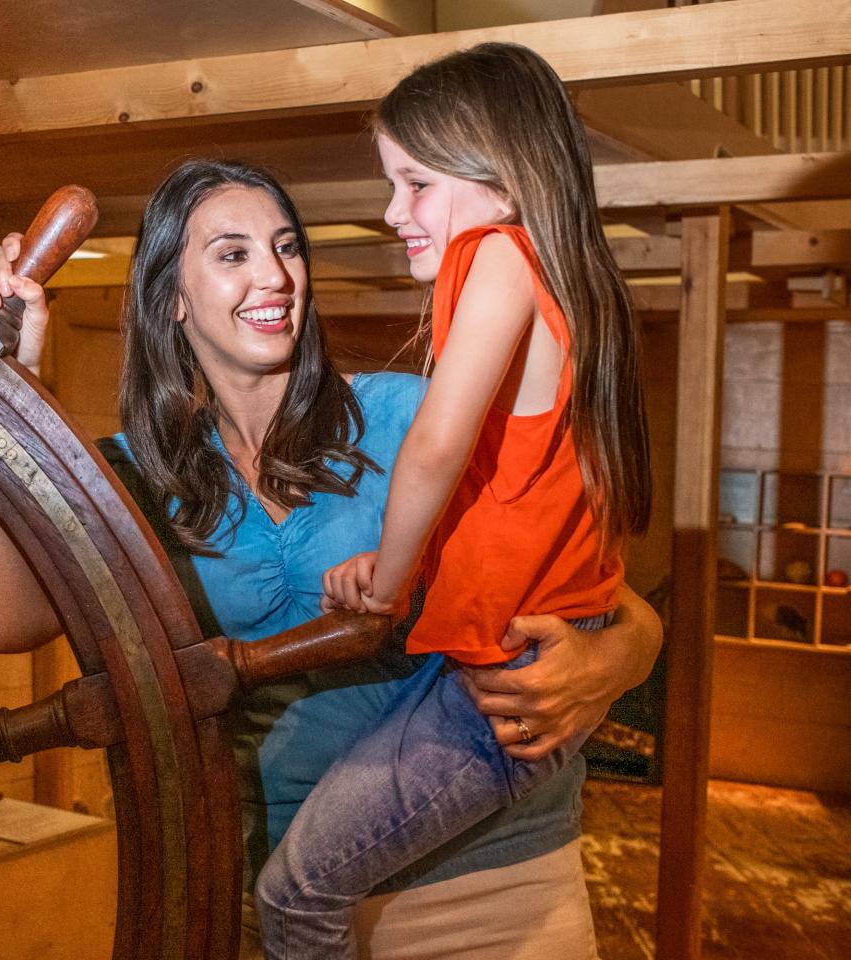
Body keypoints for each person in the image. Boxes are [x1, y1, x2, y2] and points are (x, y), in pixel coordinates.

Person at [0, 157, 661, 959]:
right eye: (233, 255)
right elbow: (6, 621)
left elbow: (614, 601)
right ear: (172, 299)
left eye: (287, 248)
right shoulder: (132, 478)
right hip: (273, 900)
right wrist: (4, 384)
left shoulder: (412, 419)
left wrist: (613, 661)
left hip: (489, 892)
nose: (275, 276)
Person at [253, 43, 653, 960]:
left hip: (498, 686)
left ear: (502, 181)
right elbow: (504, 496)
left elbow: (436, 446)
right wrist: (410, 567)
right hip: (511, 652)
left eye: (415, 182)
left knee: (295, 892)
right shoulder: (564, 280)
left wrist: (391, 581)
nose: (393, 211)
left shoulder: (498, 253)